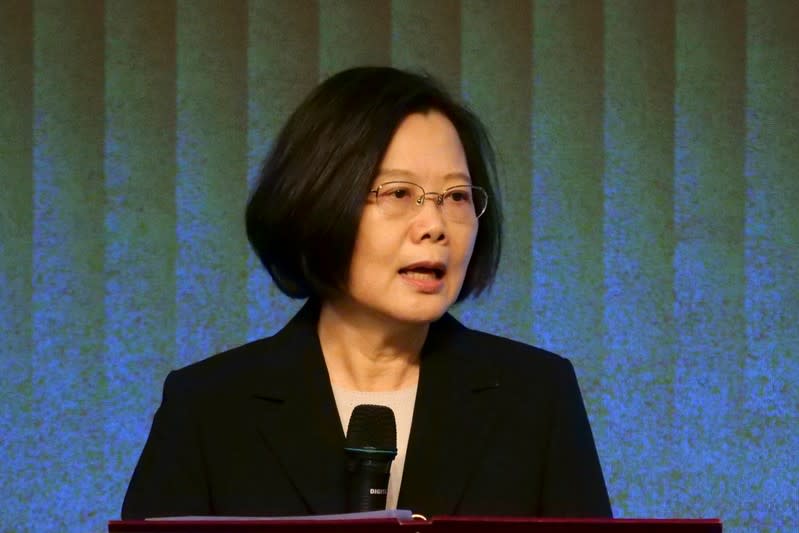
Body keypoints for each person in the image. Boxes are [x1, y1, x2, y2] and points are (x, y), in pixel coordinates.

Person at [121, 66, 611, 519]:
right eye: (399, 193)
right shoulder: (209, 409)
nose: (435, 226)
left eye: (457, 197)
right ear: (319, 201)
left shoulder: (536, 397)